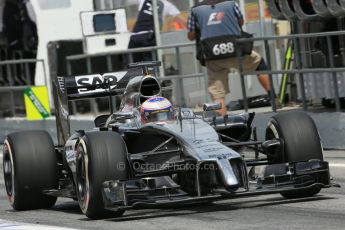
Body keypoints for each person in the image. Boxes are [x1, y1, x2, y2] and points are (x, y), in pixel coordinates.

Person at [187, 0, 272, 116]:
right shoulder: (231, 3)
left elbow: (191, 36)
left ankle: (224, 121)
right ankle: (273, 97)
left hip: (212, 55)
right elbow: (241, 22)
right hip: (236, 50)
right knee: (259, 64)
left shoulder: (195, 10)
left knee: (217, 93)